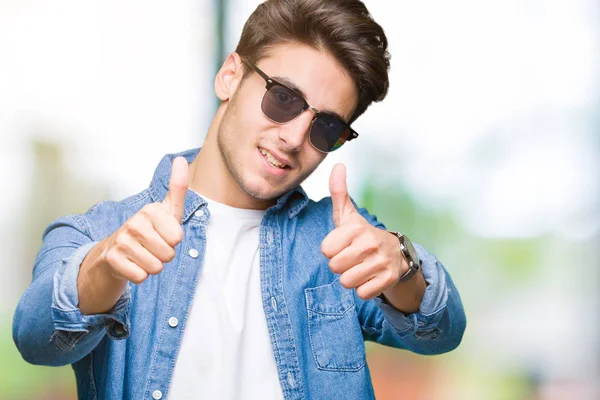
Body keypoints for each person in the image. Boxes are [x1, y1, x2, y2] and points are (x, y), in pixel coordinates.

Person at [13, 0, 466, 399]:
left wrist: (402, 266)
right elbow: (34, 338)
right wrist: (105, 267)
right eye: (284, 98)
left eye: (325, 127)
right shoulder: (99, 234)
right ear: (231, 76)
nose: (292, 137)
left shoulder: (341, 242)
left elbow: (441, 330)